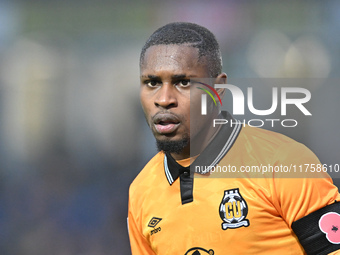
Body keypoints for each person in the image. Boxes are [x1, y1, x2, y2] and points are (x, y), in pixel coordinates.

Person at [128, 22, 340, 255]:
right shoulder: (141, 192)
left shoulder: (284, 163)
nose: (164, 98)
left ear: (218, 89)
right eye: (152, 83)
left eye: (183, 82)